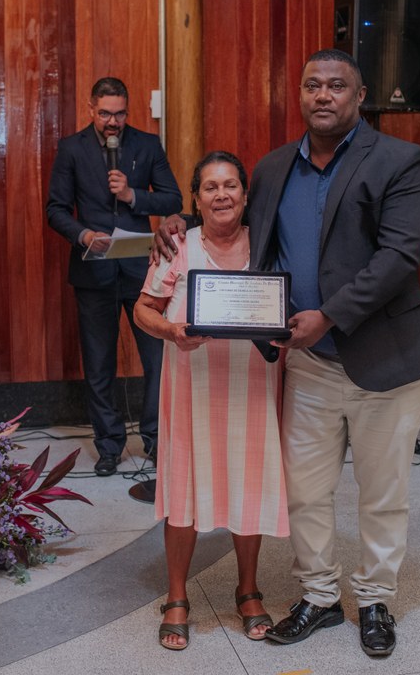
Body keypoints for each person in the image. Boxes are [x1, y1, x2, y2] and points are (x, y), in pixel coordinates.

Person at [152, 50, 420, 657]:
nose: (323, 95)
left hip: (384, 360)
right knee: (306, 492)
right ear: (301, 95)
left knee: (381, 492)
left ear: (359, 96)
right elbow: (232, 217)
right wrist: (176, 220)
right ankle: (319, 595)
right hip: (307, 363)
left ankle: (375, 601)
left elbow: (399, 257)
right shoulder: (274, 167)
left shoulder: (400, 160)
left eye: (337, 85)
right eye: (312, 85)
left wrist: (329, 315)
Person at [133, 151, 289, 651]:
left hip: (253, 384)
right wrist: (171, 331)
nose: (221, 195)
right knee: (184, 487)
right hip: (192, 385)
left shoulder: (267, 242)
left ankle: (248, 591)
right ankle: (177, 596)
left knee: (249, 484)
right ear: (196, 199)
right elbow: (143, 309)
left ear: (245, 193)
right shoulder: (178, 244)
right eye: (210, 187)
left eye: (230, 185)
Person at [46, 77, 182, 477]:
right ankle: (108, 446)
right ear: (91, 109)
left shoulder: (147, 144)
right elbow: (55, 209)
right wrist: (83, 235)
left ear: (128, 111)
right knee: (99, 364)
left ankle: (155, 439)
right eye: (105, 113)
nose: (112, 122)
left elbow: (173, 198)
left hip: (142, 271)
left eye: (120, 114)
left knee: (158, 360)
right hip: (93, 270)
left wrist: (132, 195)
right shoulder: (71, 148)